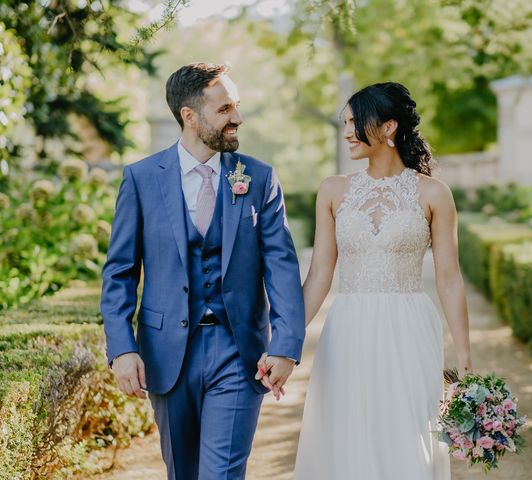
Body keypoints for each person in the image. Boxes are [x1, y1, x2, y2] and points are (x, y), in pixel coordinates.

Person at [101, 62, 305, 480]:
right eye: (225, 109)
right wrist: (122, 349)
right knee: (184, 473)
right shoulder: (141, 179)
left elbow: (281, 266)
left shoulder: (259, 178)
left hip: (238, 352)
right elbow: (120, 271)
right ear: (189, 116)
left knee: (223, 474)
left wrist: (285, 345)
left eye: (237, 106)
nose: (237, 118)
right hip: (166, 352)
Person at [264, 82, 473, 479]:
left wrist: (465, 360)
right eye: (344, 123)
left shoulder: (434, 193)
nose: (346, 132)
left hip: (410, 327)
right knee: (349, 432)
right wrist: (283, 343)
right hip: (349, 327)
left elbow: (449, 279)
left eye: (354, 122)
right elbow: (320, 275)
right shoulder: (333, 190)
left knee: (407, 431)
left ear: (389, 126)